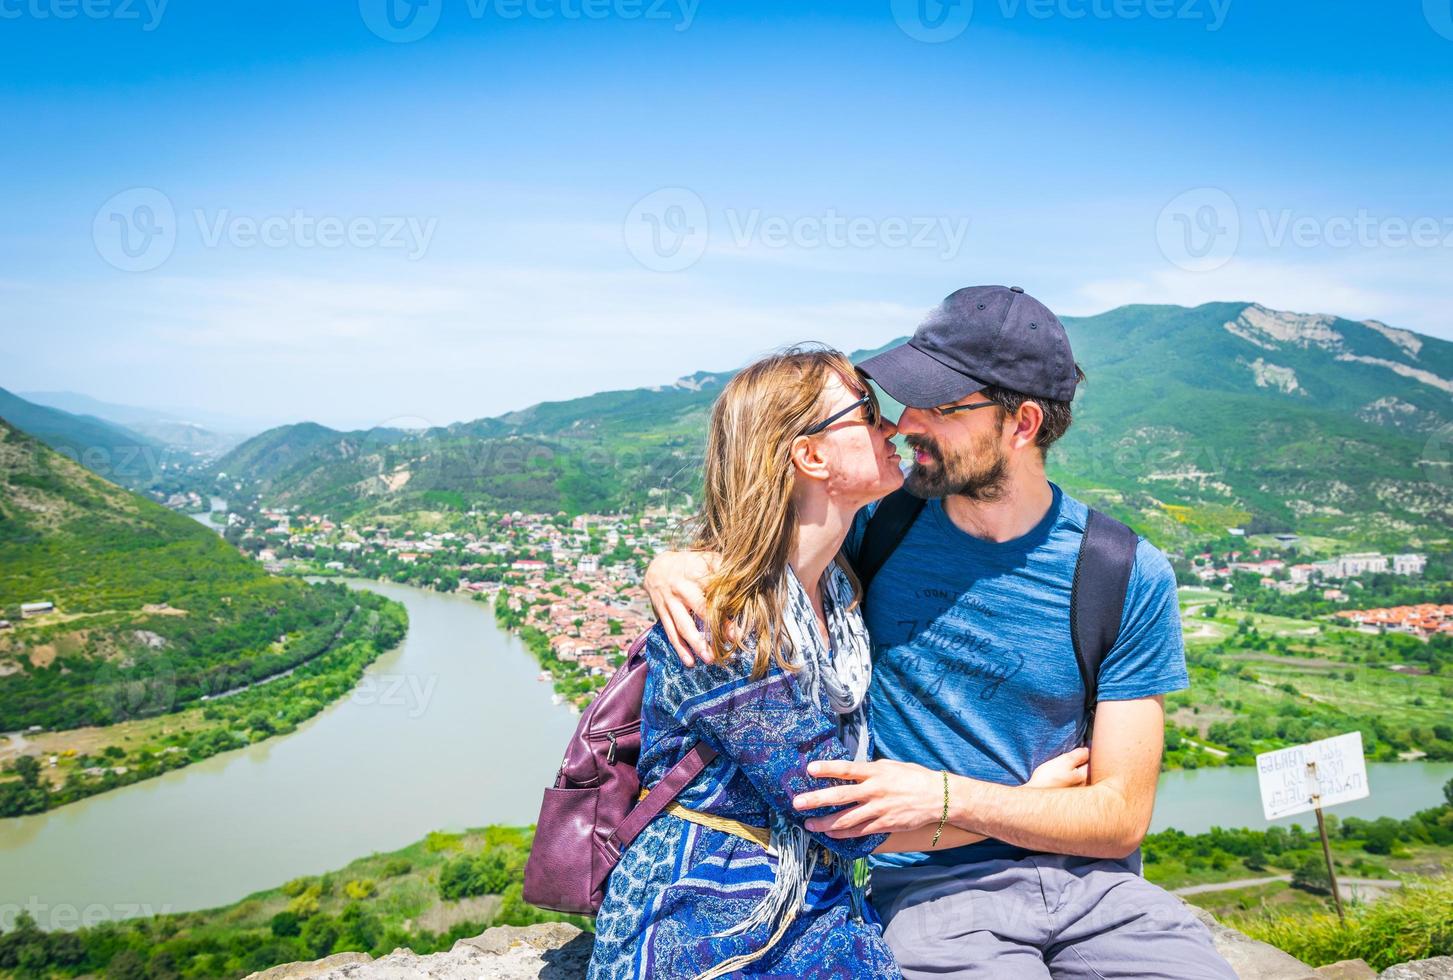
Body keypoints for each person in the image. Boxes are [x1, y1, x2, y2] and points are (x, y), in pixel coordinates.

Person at [645, 287, 1238, 980]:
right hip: (934, 890)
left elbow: (1118, 817)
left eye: (940, 407)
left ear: (1020, 423)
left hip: (1100, 891)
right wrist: (678, 562)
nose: (904, 424)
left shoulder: (1121, 573)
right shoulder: (877, 527)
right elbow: (770, 539)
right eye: (904, 400)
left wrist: (952, 796)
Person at [587, 346, 1090, 980]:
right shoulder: (730, 620)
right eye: (868, 414)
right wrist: (1021, 808)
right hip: (712, 922)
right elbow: (839, 814)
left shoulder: (840, 588)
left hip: (817, 902)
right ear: (811, 455)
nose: (894, 427)